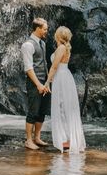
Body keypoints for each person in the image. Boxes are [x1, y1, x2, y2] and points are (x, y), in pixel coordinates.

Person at [45, 26, 86, 154]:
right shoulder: (64, 47)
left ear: (58, 36)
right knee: (64, 106)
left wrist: (47, 82)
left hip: (61, 77)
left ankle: (67, 140)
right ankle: (67, 138)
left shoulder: (62, 48)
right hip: (63, 77)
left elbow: (54, 67)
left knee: (62, 106)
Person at [21, 17, 51, 150]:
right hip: (34, 83)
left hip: (45, 82)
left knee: (42, 111)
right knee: (33, 111)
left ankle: (37, 138)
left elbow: (44, 64)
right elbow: (28, 68)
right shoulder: (27, 45)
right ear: (38, 29)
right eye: (45, 29)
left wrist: (47, 83)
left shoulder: (43, 44)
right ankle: (28, 140)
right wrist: (38, 84)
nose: (46, 31)